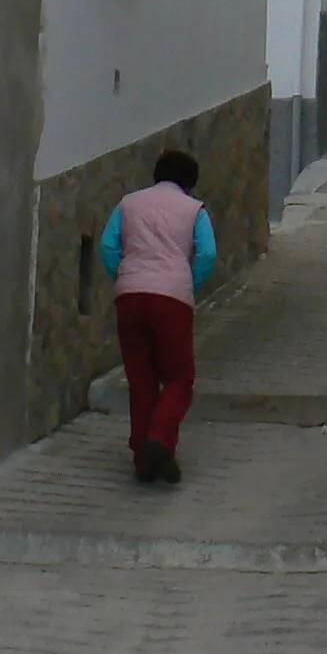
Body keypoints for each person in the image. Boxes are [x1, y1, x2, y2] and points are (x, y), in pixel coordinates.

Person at [98, 147, 216, 483]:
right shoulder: (195, 210)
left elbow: (108, 245)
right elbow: (208, 253)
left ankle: (142, 459)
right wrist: (187, 283)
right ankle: (160, 439)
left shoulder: (129, 203)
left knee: (141, 378)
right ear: (189, 182)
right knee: (179, 377)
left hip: (130, 297)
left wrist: (124, 275)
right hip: (172, 300)